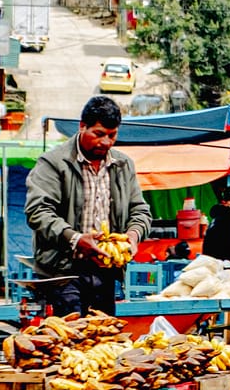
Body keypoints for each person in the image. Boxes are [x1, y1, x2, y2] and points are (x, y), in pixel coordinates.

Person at [26, 95, 149, 314]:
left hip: (107, 272)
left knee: (103, 336)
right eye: (99, 134)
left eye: (112, 135)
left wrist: (133, 235)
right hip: (64, 273)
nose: (106, 142)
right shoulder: (53, 162)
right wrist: (75, 239)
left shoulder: (123, 165)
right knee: (71, 337)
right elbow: (38, 211)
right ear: (82, 127)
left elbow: (139, 210)